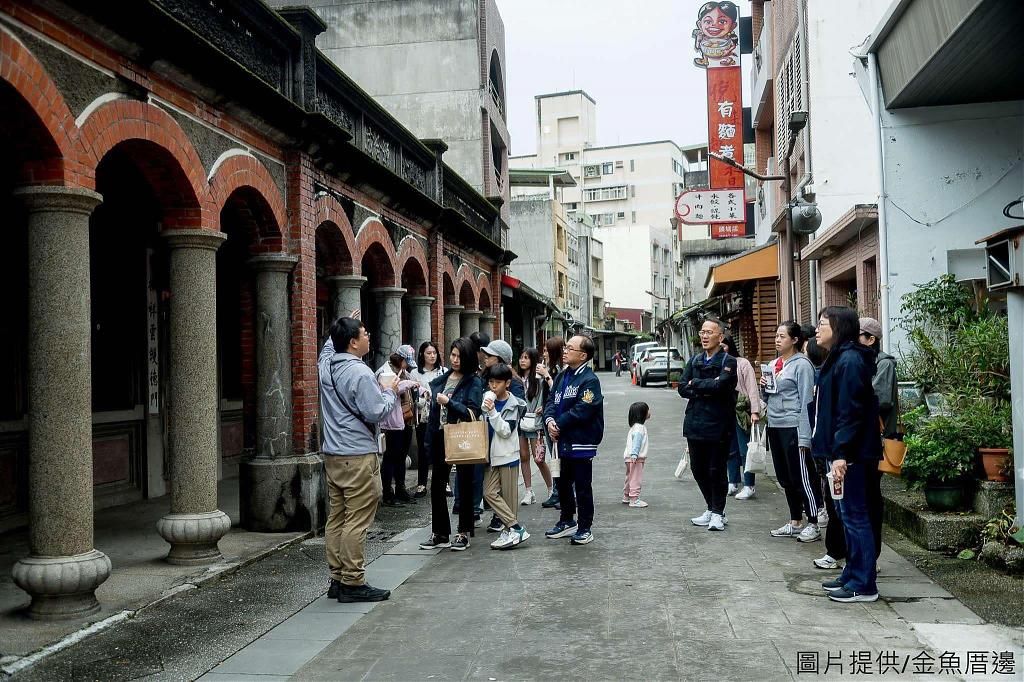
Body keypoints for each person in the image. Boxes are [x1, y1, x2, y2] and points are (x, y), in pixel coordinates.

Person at [319, 317, 398, 602]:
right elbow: (377, 411)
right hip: (357, 454)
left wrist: (337, 332)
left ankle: (337, 577)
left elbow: (328, 350)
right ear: (353, 342)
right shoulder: (361, 373)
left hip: (333, 454)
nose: (369, 337)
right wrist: (390, 389)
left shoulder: (326, 365)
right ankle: (353, 581)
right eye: (364, 333)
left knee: (337, 516)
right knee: (357, 518)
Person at [814, 306, 882, 603]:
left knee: (855, 516)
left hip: (851, 454)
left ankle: (863, 584)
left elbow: (850, 411)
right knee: (845, 514)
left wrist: (841, 453)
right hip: (841, 451)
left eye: (822, 323)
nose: (817, 329)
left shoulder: (851, 360)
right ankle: (852, 573)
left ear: (839, 327)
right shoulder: (840, 357)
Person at [418, 337, 485, 552]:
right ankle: (440, 533)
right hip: (440, 436)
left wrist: (449, 402)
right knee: (437, 486)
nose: (455, 359)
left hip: (462, 437)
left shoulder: (473, 381)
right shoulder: (444, 377)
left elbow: (473, 412)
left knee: (464, 485)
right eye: (453, 355)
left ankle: (464, 531)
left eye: (459, 356)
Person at [762, 322, 821, 543]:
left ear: (795, 340)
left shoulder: (802, 365)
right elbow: (768, 397)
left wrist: (805, 435)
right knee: (785, 476)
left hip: (794, 425)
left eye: (782, 336)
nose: (778, 340)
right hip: (775, 425)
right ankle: (795, 521)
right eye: (776, 336)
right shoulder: (774, 364)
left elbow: (807, 400)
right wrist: (763, 387)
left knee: (802, 476)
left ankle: (813, 522)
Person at [543, 335, 604, 545]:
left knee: (582, 486)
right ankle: (567, 520)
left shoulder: (589, 380)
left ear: (583, 355)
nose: (565, 351)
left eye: (570, 348)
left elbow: (583, 409)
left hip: (581, 442)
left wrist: (558, 424)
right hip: (561, 443)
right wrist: (549, 420)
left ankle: (585, 526)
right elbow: (551, 401)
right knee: (563, 483)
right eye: (566, 347)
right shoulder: (561, 376)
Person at [678, 317, 737, 532]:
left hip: (718, 424)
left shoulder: (728, 361)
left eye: (709, 332)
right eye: (702, 332)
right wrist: (705, 387)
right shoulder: (694, 360)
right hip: (695, 422)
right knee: (698, 468)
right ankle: (711, 507)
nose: (704, 336)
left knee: (716, 469)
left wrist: (698, 384)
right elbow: (682, 387)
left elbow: (721, 386)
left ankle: (718, 513)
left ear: (720, 337)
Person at [480, 364, 530, 549]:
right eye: (491, 382)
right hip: (491, 456)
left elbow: (506, 431)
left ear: (507, 383)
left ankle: (511, 531)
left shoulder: (514, 404)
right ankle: (515, 528)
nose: (493, 386)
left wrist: (492, 411)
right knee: (489, 492)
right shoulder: (486, 398)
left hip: (508, 456)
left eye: (498, 382)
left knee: (509, 499)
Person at [375, 347, 420, 506]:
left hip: (405, 419)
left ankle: (400, 489)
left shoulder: (403, 372)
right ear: (400, 359)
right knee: (390, 458)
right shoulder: (385, 372)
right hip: (390, 422)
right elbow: (391, 389)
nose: (407, 366)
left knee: (401, 456)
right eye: (406, 362)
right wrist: (409, 383)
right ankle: (387, 493)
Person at [722, 335, 763, 500]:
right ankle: (732, 481)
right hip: (725, 411)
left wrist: (755, 411)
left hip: (742, 410)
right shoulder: (717, 363)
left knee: (745, 449)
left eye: (723, 345)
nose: (721, 349)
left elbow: (752, 388)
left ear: (730, 346)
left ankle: (749, 485)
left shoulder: (743, 363)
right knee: (729, 449)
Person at [516, 348, 553, 506]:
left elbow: (546, 396)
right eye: (521, 357)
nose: (522, 361)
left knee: (538, 459)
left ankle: (551, 489)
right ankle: (528, 491)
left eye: (526, 358)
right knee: (523, 457)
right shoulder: (517, 379)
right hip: (521, 422)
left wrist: (543, 408)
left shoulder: (537, 378)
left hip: (535, 422)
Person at [412, 341, 445, 498]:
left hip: (440, 417)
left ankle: (444, 483)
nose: (432, 356)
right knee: (423, 451)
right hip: (423, 417)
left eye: (434, 353)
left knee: (442, 451)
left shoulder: (443, 372)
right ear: (421, 355)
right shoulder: (415, 374)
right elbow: (412, 398)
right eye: (428, 353)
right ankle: (422, 483)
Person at [536, 336, 565, 509]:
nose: (544, 353)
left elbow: (558, 392)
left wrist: (546, 375)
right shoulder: (551, 368)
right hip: (547, 416)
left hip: (558, 418)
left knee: (561, 456)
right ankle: (556, 492)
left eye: (547, 350)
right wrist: (542, 406)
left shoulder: (561, 371)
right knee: (553, 456)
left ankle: (565, 493)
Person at [622, 401, 650, 508]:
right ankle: (634, 499)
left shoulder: (634, 427)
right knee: (635, 478)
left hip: (629, 457)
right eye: (648, 410)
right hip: (636, 458)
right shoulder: (640, 428)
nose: (649, 412)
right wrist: (635, 454)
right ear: (642, 413)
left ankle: (626, 496)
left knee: (629, 476)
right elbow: (637, 442)